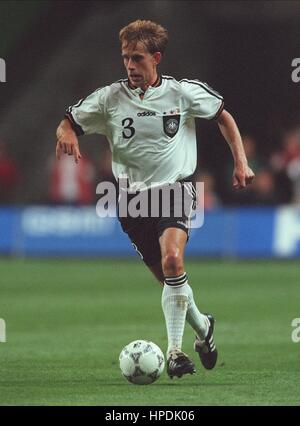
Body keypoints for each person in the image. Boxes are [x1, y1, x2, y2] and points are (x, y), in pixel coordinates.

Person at [55, 20, 255, 379]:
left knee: (173, 260)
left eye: (137, 58)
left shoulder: (183, 92)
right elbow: (68, 121)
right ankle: (204, 327)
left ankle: (174, 352)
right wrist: (67, 133)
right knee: (170, 282)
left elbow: (223, 117)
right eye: (125, 58)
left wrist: (240, 160)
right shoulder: (109, 98)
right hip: (131, 201)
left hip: (176, 189)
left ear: (156, 58)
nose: (129, 66)